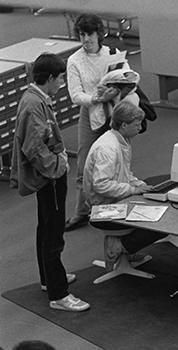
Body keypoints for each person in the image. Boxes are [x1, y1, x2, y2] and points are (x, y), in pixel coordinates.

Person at [9, 53, 90, 312]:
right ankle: (59, 294)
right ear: (51, 78)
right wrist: (57, 167)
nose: (63, 83)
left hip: (48, 177)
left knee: (45, 228)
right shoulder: (34, 105)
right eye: (61, 78)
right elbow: (33, 147)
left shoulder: (35, 99)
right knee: (53, 234)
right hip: (49, 178)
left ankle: (48, 279)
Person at [65, 13, 131, 231]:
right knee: (84, 164)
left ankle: (119, 207)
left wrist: (114, 91)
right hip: (90, 112)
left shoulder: (112, 54)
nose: (86, 39)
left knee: (118, 159)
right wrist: (96, 98)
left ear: (99, 34)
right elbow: (75, 95)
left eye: (90, 34)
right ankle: (81, 211)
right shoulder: (74, 61)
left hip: (115, 110)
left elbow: (129, 78)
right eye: (82, 35)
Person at [83, 101, 166, 270]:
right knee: (160, 223)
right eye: (136, 124)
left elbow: (124, 174)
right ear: (123, 124)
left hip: (114, 200)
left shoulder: (121, 140)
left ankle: (126, 250)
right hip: (102, 209)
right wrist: (133, 190)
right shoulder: (108, 148)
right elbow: (101, 185)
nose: (140, 128)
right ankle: (119, 247)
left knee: (157, 208)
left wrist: (141, 185)